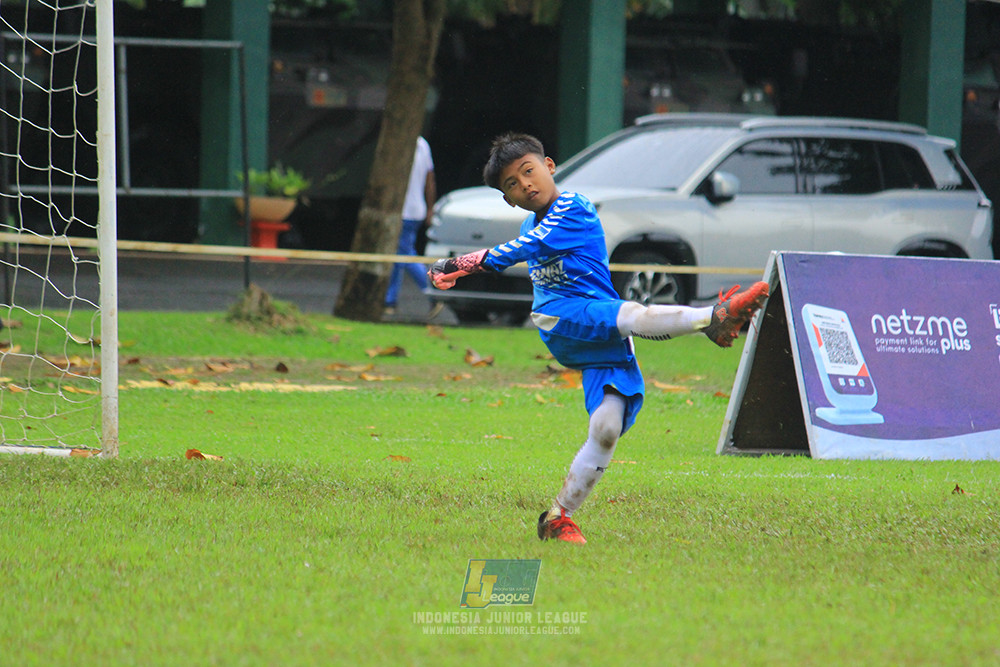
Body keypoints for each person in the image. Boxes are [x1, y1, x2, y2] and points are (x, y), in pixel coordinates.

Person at [429, 132, 769, 544]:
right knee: (633, 314)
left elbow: (527, 247)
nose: (525, 185)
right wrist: (463, 265)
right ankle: (712, 319)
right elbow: (526, 244)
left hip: (602, 326)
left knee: (607, 427)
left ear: (549, 165)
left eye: (528, 172)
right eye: (512, 185)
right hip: (563, 317)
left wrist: (461, 262)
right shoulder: (529, 223)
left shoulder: (573, 207)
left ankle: (559, 516)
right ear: (510, 200)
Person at [385, 136, 443, 320]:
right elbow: (430, 178)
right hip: (417, 209)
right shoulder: (423, 144)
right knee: (397, 257)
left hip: (403, 212)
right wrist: (429, 207)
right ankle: (390, 301)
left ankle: (433, 291)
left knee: (405, 255)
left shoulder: (398, 142)